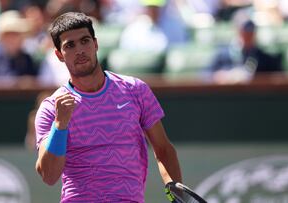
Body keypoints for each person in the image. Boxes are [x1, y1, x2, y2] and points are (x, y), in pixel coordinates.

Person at [34, 12, 182, 202]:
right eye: (70, 45)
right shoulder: (50, 109)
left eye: (85, 41)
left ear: (95, 44)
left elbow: (163, 149)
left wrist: (176, 196)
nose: (80, 50)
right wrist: (60, 125)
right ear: (59, 55)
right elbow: (49, 175)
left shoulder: (135, 90)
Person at [208, 16, 283, 84]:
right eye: (244, 32)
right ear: (237, 31)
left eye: (250, 33)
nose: (247, 36)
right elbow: (207, 76)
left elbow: (277, 78)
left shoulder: (264, 59)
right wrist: (227, 76)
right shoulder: (223, 55)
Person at [0, 10, 38, 78]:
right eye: (8, 35)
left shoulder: (27, 61)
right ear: (2, 38)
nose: (12, 39)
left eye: (15, 34)